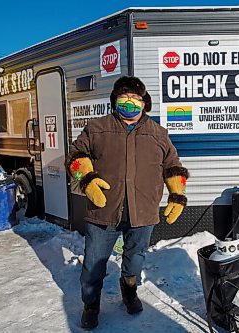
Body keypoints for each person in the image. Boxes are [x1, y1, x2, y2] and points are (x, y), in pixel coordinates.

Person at [66, 76, 189, 330]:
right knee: (93, 265)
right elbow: (75, 156)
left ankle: (129, 292)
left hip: (142, 211)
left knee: (135, 259)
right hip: (104, 211)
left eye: (135, 99)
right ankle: (91, 305)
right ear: (114, 101)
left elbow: (173, 166)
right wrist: (87, 180)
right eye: (124, 98)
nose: (130, 103)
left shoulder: (158, 134)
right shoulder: (96, 128)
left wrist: (177, 195)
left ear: (145, 103)